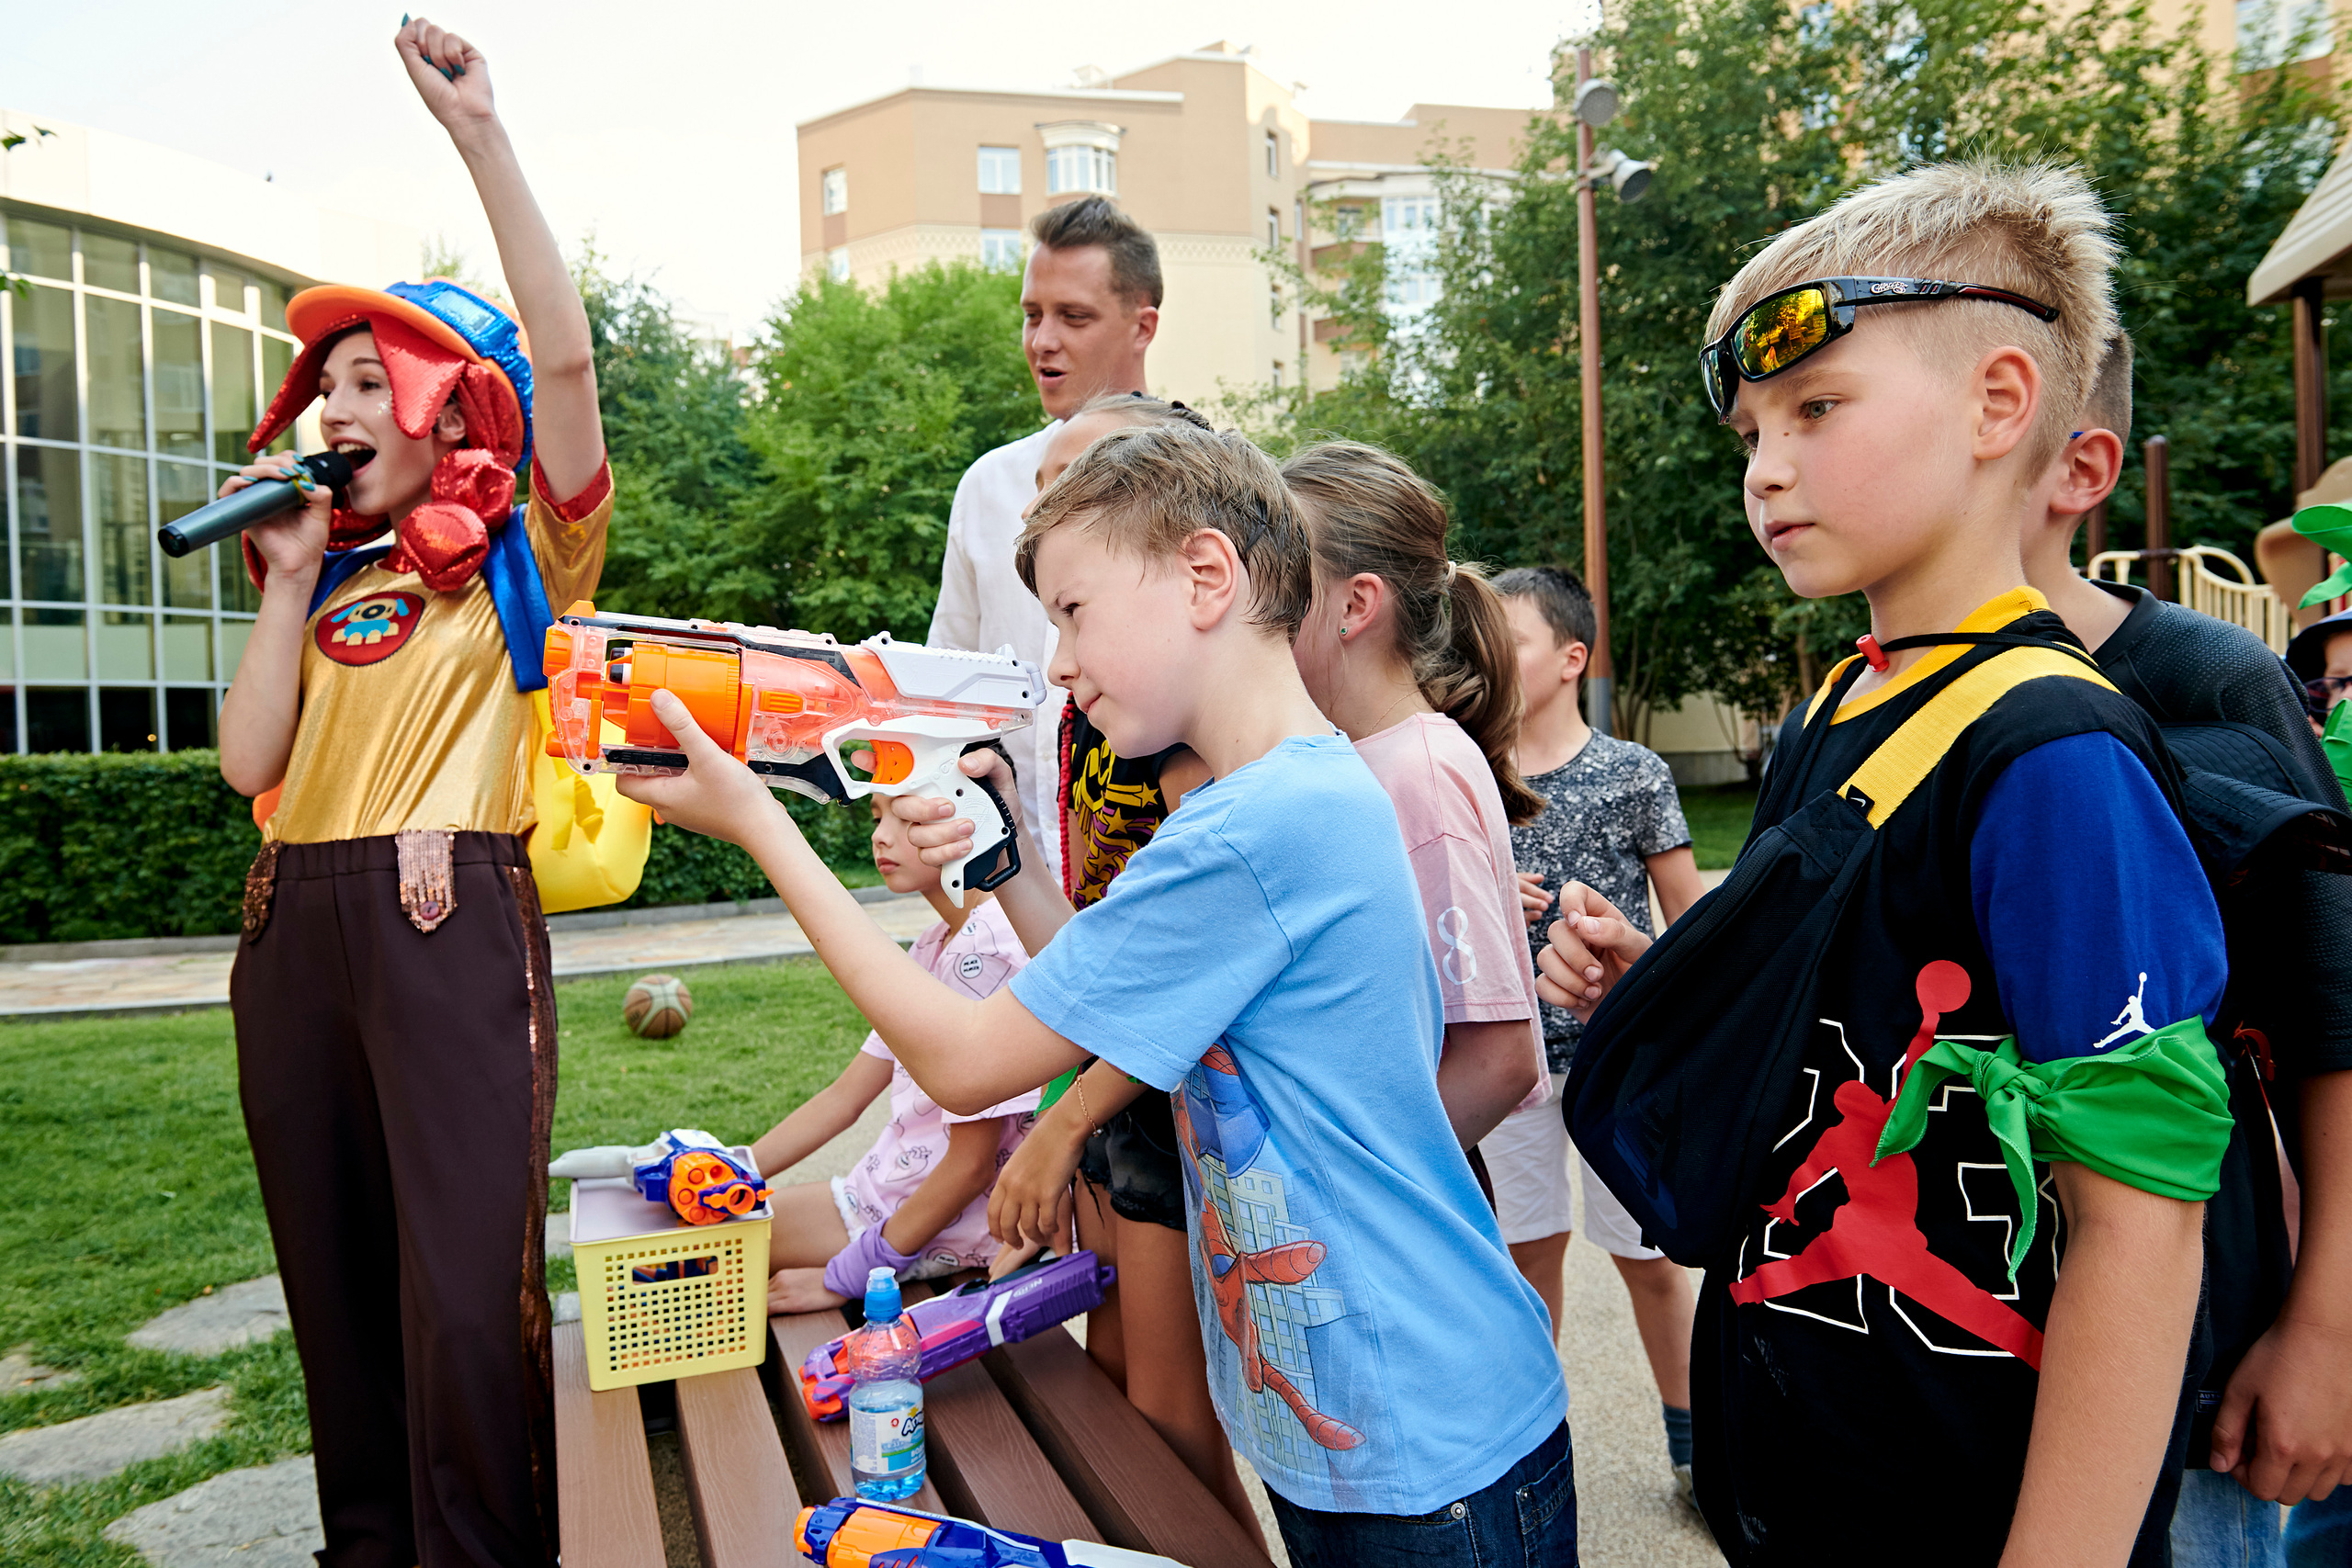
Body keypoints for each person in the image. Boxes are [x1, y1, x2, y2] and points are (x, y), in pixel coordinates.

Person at [619, 423, 1576, 1567]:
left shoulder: (1255, 827)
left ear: (1207, 576)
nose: (1059, 663)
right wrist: (1010, 853)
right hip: (1379, 1423)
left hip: (1427, 1448)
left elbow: (969, 1060)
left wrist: (759, 823)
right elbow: (1111, 986)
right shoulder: (1284, 796)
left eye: (1073, 612)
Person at [1542, 160, 2234, 1565]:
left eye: (1815, 407)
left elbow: (2144, 1229)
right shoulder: (1841, 704)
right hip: (1805, 1467)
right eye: (1749, 429)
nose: (1765, 467)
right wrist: (1686, 978)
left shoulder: (2054, 756)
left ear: (1998, 403)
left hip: (1967, 1500)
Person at [216, 17, 610, 1567]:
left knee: (459, 1297)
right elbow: (251, 765)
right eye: (329, 386)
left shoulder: (523, 552)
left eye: (376, 380)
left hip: (449, 915)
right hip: (293, 925)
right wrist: (281, 588)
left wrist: (481, 138)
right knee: (337, 1282)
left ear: (452, 400)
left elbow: (566, 358)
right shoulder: (324, 575)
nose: (339, 410)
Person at [2021, 335, 2352, 1565]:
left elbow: (2330, 1023)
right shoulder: (1846, 711)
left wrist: (2329, 1325)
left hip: (2188, 1350)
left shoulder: (2209, 681)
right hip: (1936, 1353)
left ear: (2076, 466)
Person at [979, 393, 1261, 1545]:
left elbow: (1179, 994)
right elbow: (1089, 953)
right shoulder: (1099, 712)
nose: (1054, 502)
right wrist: (987, 834)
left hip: (1163, 1094)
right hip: (1108, 1073)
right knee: (1120, 1383)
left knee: (1163, 1412)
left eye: (1086, 477)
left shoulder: (1183, 726)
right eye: (1045, 482)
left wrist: (1058, 1125)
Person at [1486, 564, 1704, 1503]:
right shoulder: (1466, 773)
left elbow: (1695, 928)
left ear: (1571, 657)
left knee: (1647, 1260)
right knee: (1525, 1260)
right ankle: (1531, 1463)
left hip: (1622, 1062)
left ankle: (1700, 1454)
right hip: (1508, 1065)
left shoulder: (1631, 773)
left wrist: (1627, 946)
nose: (1491, 655)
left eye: (1513, 639)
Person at [1278, 440, 1546, 1154]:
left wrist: (1365, 1192)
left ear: (1356, 603)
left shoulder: (1418, 772)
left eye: (1277, 577)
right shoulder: (1355, 756)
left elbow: (1498, 1060)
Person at [930, 197, 1163, 884]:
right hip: (1003, 880)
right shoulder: (987, 485)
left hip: (1157, 871)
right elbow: (947, 682)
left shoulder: (1215, 483)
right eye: (1032, 315)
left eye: (1074, 316)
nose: (1043, 341)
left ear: (1142, 324)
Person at [750, 797, 1039, 1315]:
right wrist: (730, 1169)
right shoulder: (935, 943)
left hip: (943, 1225)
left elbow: (971, 1167)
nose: (881, 836)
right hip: (882, 1196)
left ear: (965, 820)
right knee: (708, 1231)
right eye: (877, 817)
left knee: (711, 1256)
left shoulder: (987, 949)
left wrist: (848, 1274)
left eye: (906, 820)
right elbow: (844, 1098)